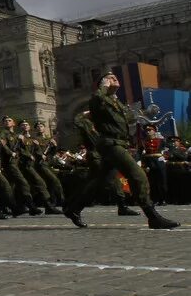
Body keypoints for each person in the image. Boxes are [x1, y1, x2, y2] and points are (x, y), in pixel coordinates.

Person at [65, 72, 179, 229]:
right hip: (111, 144)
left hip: (117, 143)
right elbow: (96, 101)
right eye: (110, 78)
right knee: (137, 175)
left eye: (115, 77)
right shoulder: (98, 99)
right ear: (103, 83)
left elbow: (128, 118)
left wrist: (147, 113)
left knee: (98, 181)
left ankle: (73, 208)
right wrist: (103, 88)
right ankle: (152, 216)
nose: (114, 78)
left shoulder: (116, 102)